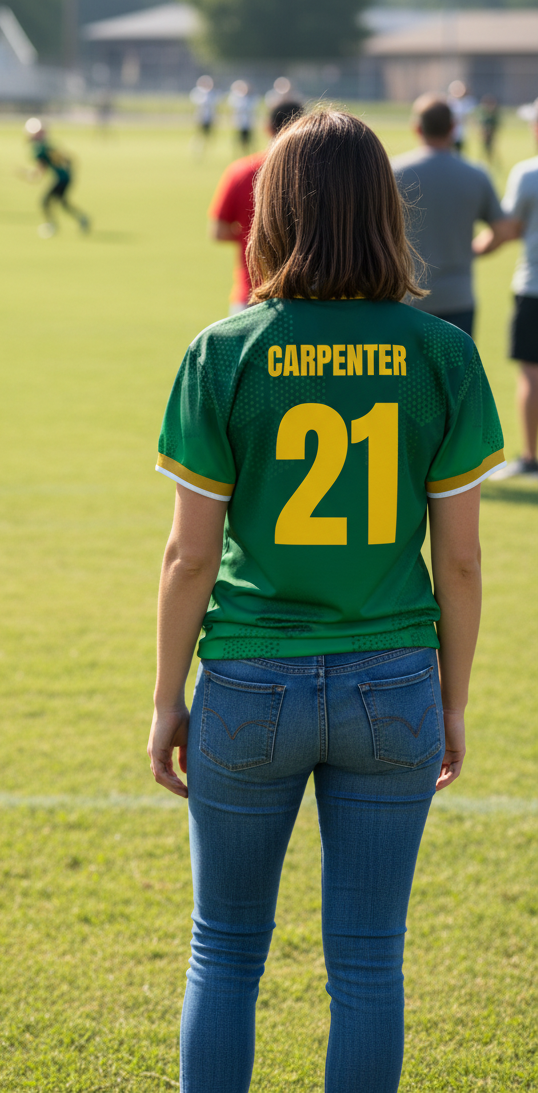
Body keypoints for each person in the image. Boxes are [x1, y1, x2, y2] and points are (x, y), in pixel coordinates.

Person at [149, 108, 505, 1093]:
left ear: (274, 209)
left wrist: (164, 696)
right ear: (386, 213)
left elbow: (188, 555)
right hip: (391, 682)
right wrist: (453, 699)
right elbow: (462, 564)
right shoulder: (439, 352)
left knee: (224, 953)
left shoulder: (223, 349)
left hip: (248, 680)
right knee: (366, 964)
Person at [392, 93, 508, 338]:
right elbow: (502, 231)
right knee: (455, 376)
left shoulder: (393, 174)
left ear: (417, 128)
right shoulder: (476, 175)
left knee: (407, 376)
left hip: (406, 297)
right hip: (458, 297)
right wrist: (473, 250)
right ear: (453, 128)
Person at [474, 113, 538, 478]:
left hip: (533, 288)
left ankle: (531, 458)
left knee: (531, 373)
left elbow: (507, 229)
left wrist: (469, 250)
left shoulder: (528, 174)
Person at [209, 99, 303, 314]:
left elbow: (219, 231)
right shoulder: (316, 176)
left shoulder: (241, 172)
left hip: (252, 292)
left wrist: (253, 236)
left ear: (267, 127)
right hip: (304, 296)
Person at [24, 118, 90, 237]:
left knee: (44, 202)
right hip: (67, 177)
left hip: (61, 179)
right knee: (62, 202)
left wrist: (31, 175)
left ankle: (52, 226)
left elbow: (41, 168)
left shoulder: (38, 148)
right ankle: (82, 219)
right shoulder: (50, 145)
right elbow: (69, 160)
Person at [447, 80, 475, 155]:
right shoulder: (450, 101)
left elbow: (472, 116)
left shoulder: (468, 102)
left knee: (459, 151)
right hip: (451, 132)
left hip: (462, 132)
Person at [190, 76, 216, 152]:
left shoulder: (212, 93)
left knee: (208, 135)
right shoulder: (198, 92)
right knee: (199, 134)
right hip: (201, 117)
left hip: (209, 117)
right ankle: (197, 147)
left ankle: (206, 148)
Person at [228, 80, 255, 153]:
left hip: (247, 122)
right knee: (238, 139)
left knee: (248, 139)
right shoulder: (237, 98)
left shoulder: (250, 99)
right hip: (239, 122)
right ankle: (237, 151)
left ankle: (247, 151)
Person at [477, 95, 500, 164]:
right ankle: (482, 161)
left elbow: (495, 126)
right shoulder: (484, 114)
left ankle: (492, 161)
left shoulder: (493, 115)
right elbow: (480, 124)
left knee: (491, 150)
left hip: (490, 135)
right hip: (484, 135)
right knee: (483, 149)